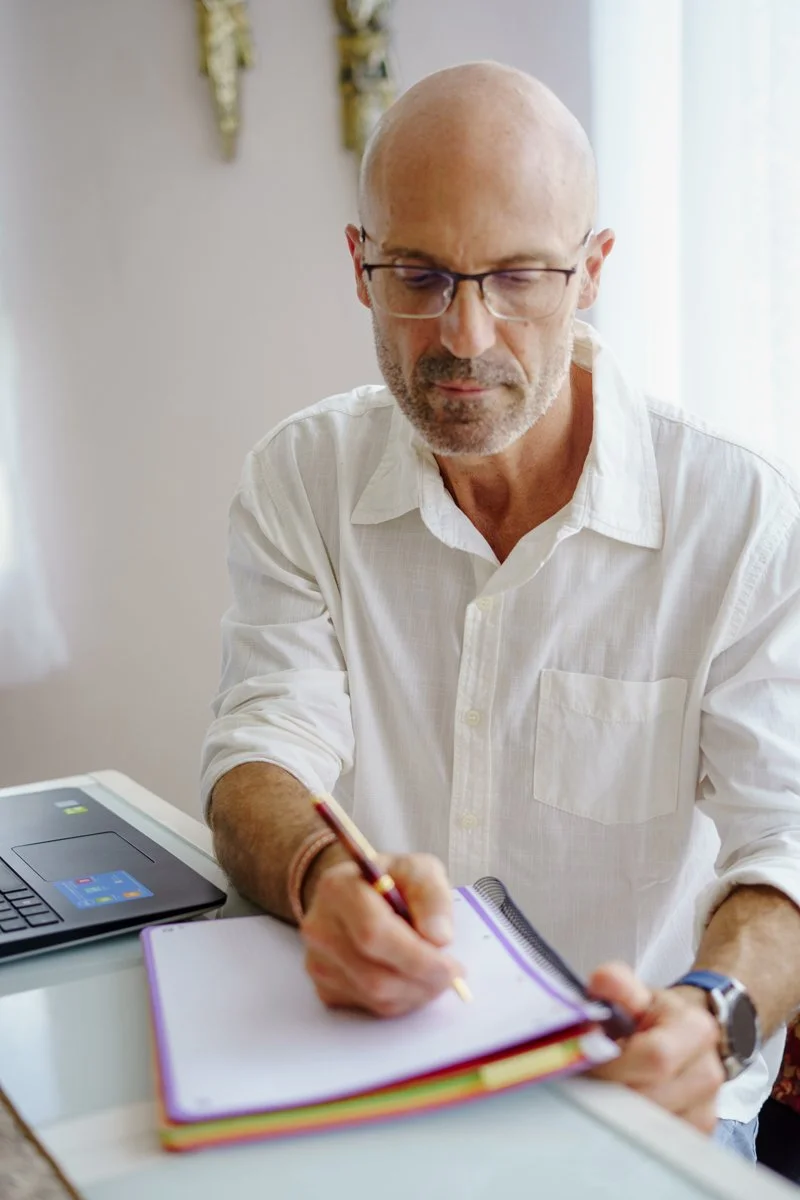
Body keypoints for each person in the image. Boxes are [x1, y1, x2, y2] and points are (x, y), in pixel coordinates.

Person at [201, 62, 800, 1163]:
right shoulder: (301, 477)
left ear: (591, 272)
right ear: (357, 264)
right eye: (418, 274)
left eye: (518, 276)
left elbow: (786, 843)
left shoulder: (739, 516)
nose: (465, 335)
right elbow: (257, 751)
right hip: (372, 1077)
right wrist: (324, 880)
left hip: (641, 1112)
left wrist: (711, 1015)